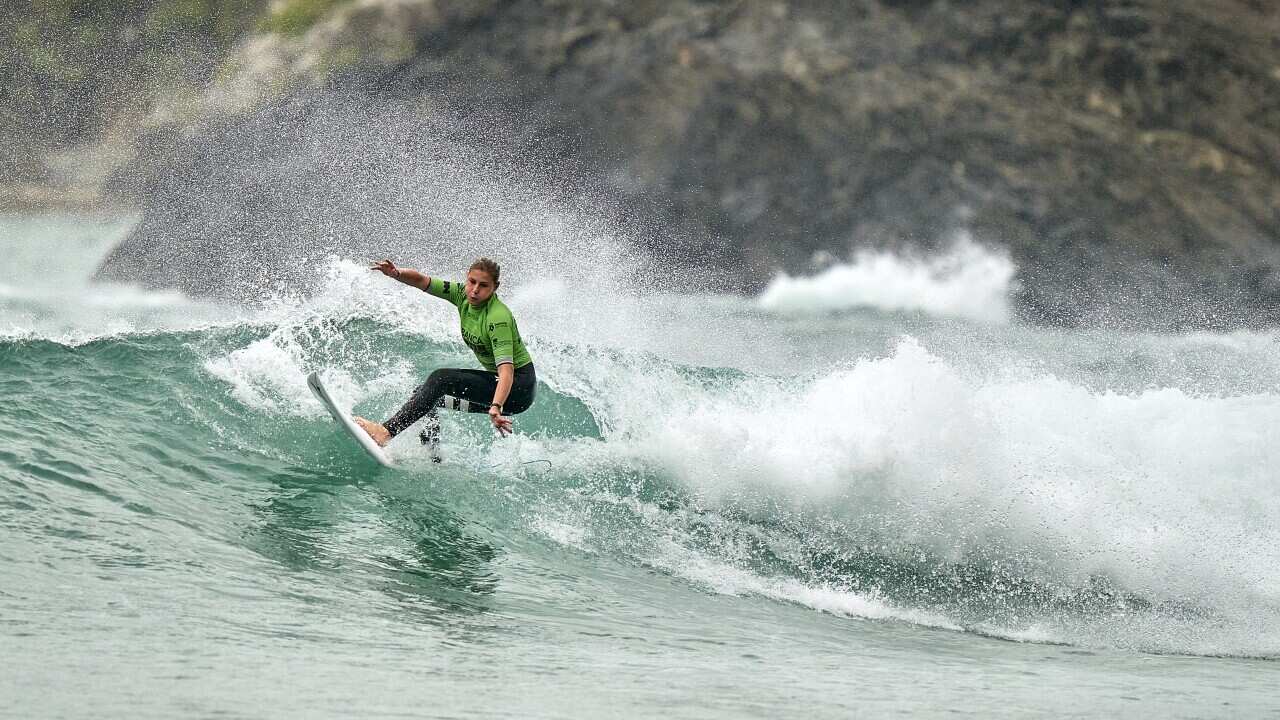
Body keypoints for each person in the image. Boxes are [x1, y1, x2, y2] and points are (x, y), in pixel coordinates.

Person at [354, 257, 536, 460]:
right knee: (424, 395)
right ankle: (433, 456)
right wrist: (396, 273)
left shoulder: (497, 317)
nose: (475, 290)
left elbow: (506, 371)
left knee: (441, 379)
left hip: (517, 389)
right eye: (471, 281)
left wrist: (496, 406)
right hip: (502, 385)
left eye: (483, 285)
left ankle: (385, 432)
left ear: (495, 287)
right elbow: (423, 281)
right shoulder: (462, 295)